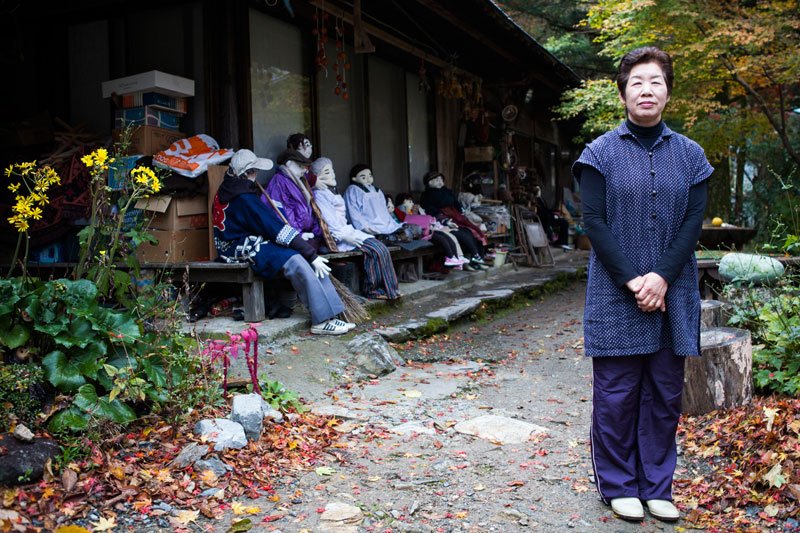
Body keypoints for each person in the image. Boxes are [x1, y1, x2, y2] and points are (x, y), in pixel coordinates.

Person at [572, 46, 713, 523]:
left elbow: (693, 224)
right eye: (637, 82)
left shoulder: (691, 156)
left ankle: (657, 486)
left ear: (667, 91)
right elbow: (595, 222)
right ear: (623, 93)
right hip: (616, 293)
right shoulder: (599, 153)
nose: (646, 89)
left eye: (655, 81)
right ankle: (617, 485)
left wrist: (662, 277)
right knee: (616, 393)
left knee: (664, 394)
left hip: (674, 292)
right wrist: (636, 280)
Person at [212, 149, 356, 335]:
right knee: (295, 260)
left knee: (298, 255)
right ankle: (321, 320)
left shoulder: (228, 189)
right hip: (238, 248)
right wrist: (310, 254)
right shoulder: (243, 197)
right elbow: (274, 228)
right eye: (255, 171)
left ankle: (332, 315)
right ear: (247, 173)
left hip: (236, 245)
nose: (257, 175)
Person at [311, 157, 401, 300]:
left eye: (332, 170)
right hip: (339, 237)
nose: (332, 174)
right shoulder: (319, 194)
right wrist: (345, 236)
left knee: (381, 248)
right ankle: (373, 289)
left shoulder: (331, 191)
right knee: (376, 250)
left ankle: (390, 289)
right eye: (327, 172)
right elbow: (328, 221)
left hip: (348, 231)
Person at [419, 170, 488, 270]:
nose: (440, 181)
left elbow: (456, 204)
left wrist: (462, 214)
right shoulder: (426, 195)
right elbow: (430, 211)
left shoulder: (447, 191)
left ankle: (476, 259)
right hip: (441, 220)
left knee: (474, 231)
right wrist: (445, 220)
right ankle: (470, 259)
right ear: (430, 182)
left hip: (456, 216)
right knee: (462, 234)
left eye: (441, 179)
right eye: (437, 179)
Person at [343, 164, 417, 244]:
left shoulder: (377, 190)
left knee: (416, 229)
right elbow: (353, 212)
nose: (368, 179)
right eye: (363, 177)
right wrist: (364, 227)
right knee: (406, 233)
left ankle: (392, 237)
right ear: (354, 178)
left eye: (370, 176)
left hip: (385, 224)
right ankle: (388, 238)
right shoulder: (353, 190)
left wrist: (393, 224)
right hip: (370, 225)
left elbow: (384, 211)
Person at [394, 192, 470, 269]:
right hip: (422, 233)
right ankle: (452, 257)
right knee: (442, 237)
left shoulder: (410, 211)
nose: (412, 203)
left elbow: (420, 219)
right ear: (403, 201)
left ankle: (455, 257)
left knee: (445, 236)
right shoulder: (401, 209)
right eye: (410, 201)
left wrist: (419, 212)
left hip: (426, 231)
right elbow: (410, 221)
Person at [265, 149, 322, 250]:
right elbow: (282, 213)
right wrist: (297, 235)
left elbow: (312, 208)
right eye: (300, 166)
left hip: (305, 234)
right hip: (293, 237)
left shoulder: (300, 181)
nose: (304, 170)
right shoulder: (279, 182)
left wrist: (316, 231)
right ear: (289, 164)